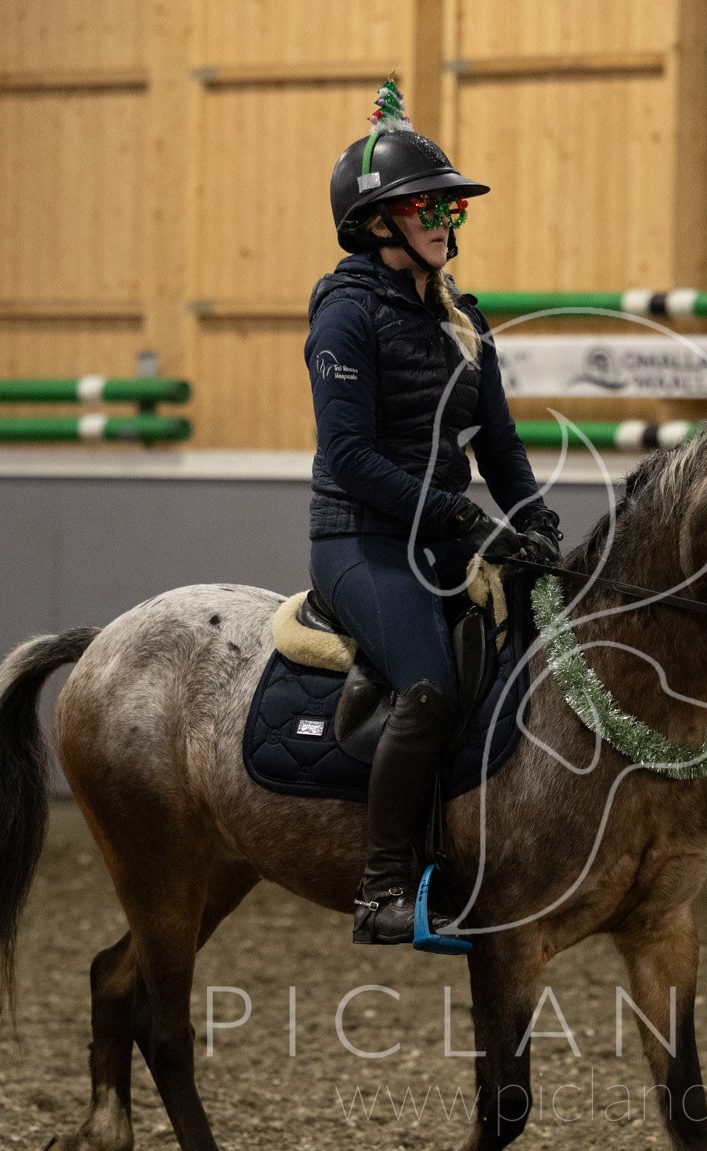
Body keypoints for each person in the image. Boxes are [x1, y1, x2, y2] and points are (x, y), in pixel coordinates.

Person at [306, 80, 562, 946]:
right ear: (377, 221)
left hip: (444, 535)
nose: (445, 221)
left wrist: (536, 521)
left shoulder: (465, 319)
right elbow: (349, 457)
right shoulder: (345, 316)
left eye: (450, 207)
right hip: (361, 541)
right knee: (427, 687)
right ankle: (382, 888)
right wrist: (459, 516)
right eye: (426, 206)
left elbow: (499, 441)